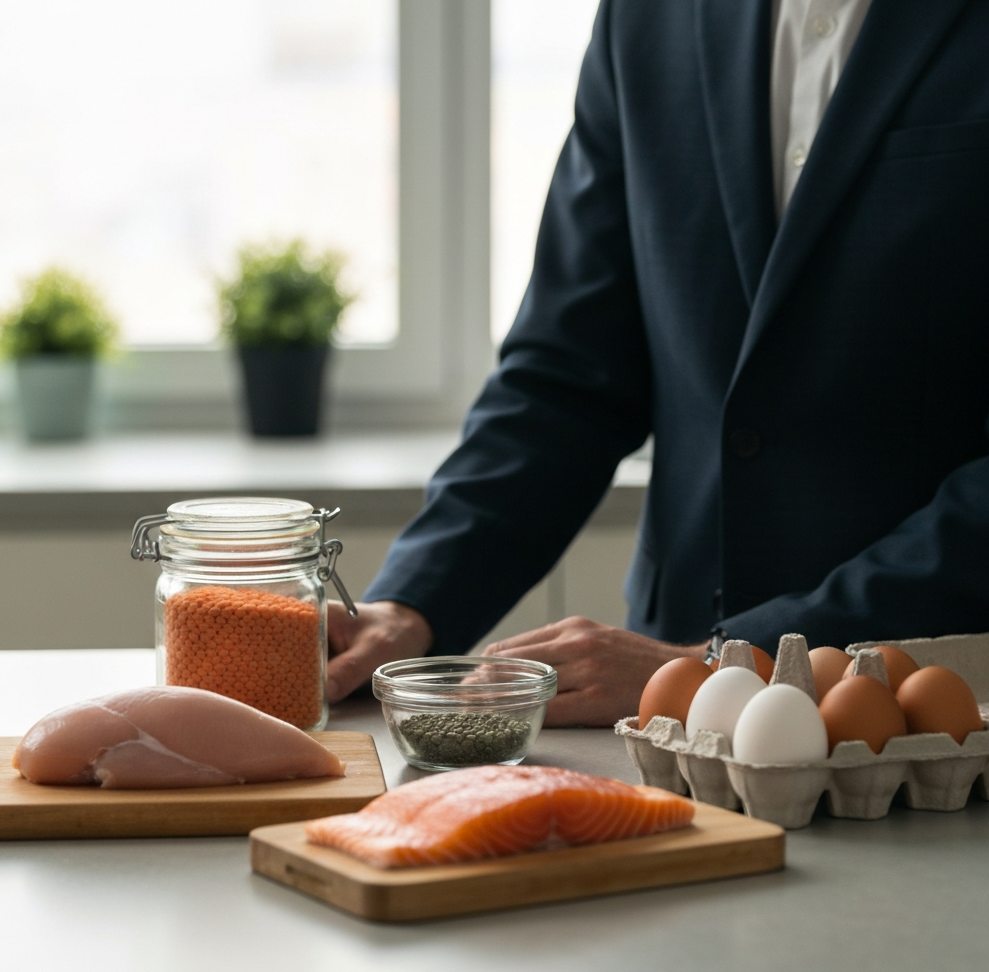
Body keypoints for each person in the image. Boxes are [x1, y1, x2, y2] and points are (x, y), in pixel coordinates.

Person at [327, 0, 989, 726]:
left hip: (935, 715)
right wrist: (414, 601)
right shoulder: (645, 17)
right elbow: (566, 377)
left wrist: (731, 661)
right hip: (661, 722)